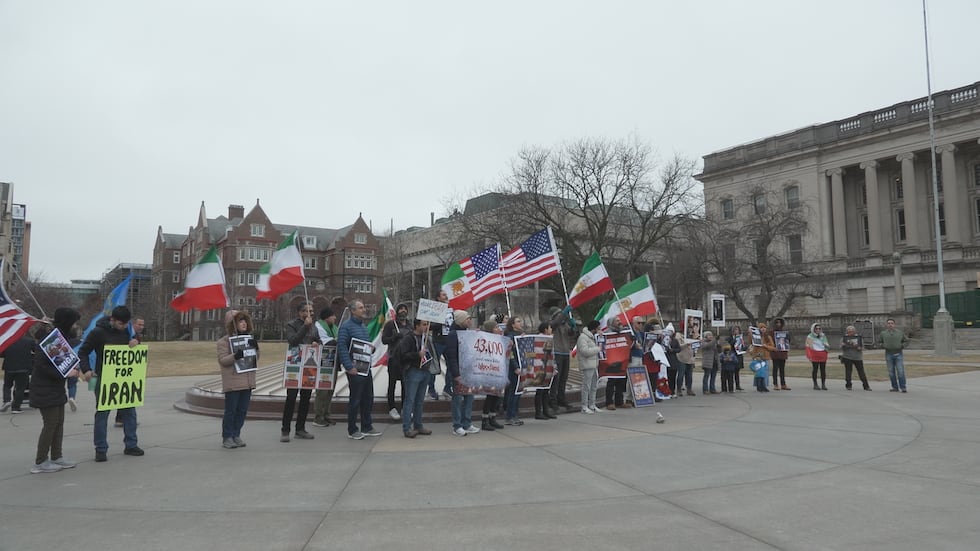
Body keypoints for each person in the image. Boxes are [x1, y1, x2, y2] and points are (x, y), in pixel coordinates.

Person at [77, 305, 142, 462]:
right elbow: (83, 351)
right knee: (103, 413)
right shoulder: (98, 332)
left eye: (126, 324)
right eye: (121, 324)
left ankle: (131, 444)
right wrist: (86, 370)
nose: (124, 327)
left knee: (129, 411)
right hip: (102, 378)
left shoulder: (127, 331)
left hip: (123, 378)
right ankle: (101, 448)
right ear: (112, 320)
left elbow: (131, 348)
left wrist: (134, 344)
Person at [29, 308, 81, 473]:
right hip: (45, 388)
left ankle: (56, 456)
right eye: (74, 322)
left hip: (56, 389)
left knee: (59, 423)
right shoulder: (49, 339)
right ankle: (40, 461)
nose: (75, 326)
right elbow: (43, 367)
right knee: (50, 424)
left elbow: (62, 358)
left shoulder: (60, 337)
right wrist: (66, 373)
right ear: (67, 322)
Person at [337, 299, 382, 440]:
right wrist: (349, 366)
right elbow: (342, 347)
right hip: (354, 370)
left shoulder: (363, 326)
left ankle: (367, 426)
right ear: (353, 310)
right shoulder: (346, 327)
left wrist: (371, 349)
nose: (364, 310)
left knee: (368, 398)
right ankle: (352, 429)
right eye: (361, 308)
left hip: (365, 368)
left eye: (363, 307)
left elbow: (364, 345)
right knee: (355, 400)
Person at [216, 310, 258, 449]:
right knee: (231, 411)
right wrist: (236, 355)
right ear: (232, 324)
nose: (244, 323)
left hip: (247, 382)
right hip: (233, 382)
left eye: (245, 320)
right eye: (240, 321)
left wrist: (255, 348)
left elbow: (255, 359)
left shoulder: (248, 338)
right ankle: (227, 436)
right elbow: (223, 360)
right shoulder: (224, 341)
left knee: (242, 410)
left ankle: (236, 434)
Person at [281, 302, 318, 442]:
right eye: (307, 311)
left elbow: (317, 339)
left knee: (306, 398)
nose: (310, 313)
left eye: (312, 311)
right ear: (300, 313)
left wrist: (316, 343)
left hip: (309, 366)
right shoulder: (292, 324)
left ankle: (300, 429)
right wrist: (305, 326)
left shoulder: (314, 326)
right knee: (291, 398)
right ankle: (285, 430)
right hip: (295, 366)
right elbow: (293, 340)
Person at [395, 318, 435, 438]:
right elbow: (403, 355)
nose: (426, 327)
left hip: (425, 370)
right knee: (410, 400)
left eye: (427, 324)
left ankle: (418, 425)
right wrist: (417, 355)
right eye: (424, 324)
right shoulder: (408, 338)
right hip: (413, 371)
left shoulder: (426, 338)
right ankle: (407, 428)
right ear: (417, 326)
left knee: (419, 401)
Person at [446, 309, 480, 435]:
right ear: (461, 321)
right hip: (459, 372)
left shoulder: (467, 333)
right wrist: (456, 374)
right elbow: (452, 356)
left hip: (469, 370)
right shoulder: (453, 335)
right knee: (458, 399)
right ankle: (457, 425)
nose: (470, 321)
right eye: (467, 319)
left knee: (469, 397)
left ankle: (467, 423)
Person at [381, 302, 411, 420]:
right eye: (400, 309)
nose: (403, 311)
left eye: (405, 309)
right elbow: (384, 340)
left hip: (407, 359)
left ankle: (404, 407)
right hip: (394, 358)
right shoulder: (390, 325)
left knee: (406, 384)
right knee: (392, 384)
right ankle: (392, 408)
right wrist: (394, 337)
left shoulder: (410, 325)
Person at [312, 307, 339, 427]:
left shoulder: (334, 328)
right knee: (322, 391)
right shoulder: (318, 327)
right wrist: (337, 340)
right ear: (327, 317)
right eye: (333, 316)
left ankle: (327, 415)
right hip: (323, 363)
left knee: (330, 391)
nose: (335, 318)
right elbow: (326, 342)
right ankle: (318, 417)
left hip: (333, 361)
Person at [114, 316, 144, 426]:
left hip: (132, 370)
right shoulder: (127, 334)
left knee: (128, 395)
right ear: (133, 324)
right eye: (139, 324)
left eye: (142, 325)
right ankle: (125, 420)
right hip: (123, 370)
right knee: (126, 395)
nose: (141, 327)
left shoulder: (137, 336)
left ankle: (121, 419)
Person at [478, 319, 507, 431]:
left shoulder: (499, 339)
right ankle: (484, 420)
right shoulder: (485, 340)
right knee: (490, 395)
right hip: (489, 370)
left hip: (498, 370)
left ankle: (492, 417)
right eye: (495, 327)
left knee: (496, 395)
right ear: (490, 329)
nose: (498, 329)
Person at [548, 306, 577, 413]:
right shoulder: (552, 325)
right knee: (556, 379)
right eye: (559, 314)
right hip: (557, 352)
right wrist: (564, 313)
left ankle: (561, 398)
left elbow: (573, 334)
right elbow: (555, 323)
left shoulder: (564, 325)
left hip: (565, 353)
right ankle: (552, 400)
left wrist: (573, 327)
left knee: (563, 378)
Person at [427, 290, 452, 400]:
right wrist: (439, 322)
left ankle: (447, 388)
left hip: (449, 341)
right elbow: (429, 326)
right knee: (434, 366)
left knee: (451, 366)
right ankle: (431, 389)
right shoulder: (434, 309)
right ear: (438, 297)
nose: (445, 296)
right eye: (443, 294)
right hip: (438, 341)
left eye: (445, 294)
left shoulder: (451, 309)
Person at [1, 335, 34, 414]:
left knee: (7, 385)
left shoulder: (8, 340)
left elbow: (2, 353)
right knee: (20, 388)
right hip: (24, 367)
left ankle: (7, 400)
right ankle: (16, 407)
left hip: (9, 366)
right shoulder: (29, 341)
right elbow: (36, 350)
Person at [877, 318, 910, 393]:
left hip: (898, 354)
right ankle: (895, 387)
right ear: (887, 325)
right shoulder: (883, 333)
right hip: (888, 354)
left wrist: (902, 346)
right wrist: (883, 345)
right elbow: (879, 342)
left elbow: (906, 341)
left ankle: (903, 387)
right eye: (889, 323)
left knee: (900, 371)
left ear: (894, 324)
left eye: (892, 323)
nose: (890, 324)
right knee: (891, 372)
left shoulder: (900, 333)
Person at [503, 316, 525, 425]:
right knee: (513, 392)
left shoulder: (520, 335)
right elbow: (510, 353)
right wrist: (515, 366)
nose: (520, 323)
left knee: (518, 392)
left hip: (522, 367)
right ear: (513, 324)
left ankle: (515, 414)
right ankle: (510, 416)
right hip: (513, 368)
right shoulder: (510, 336)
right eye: (518, 321)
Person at [605, 316, 630, 409]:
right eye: (617, 321)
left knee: (621, 381)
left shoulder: (623, 332)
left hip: (622, 360)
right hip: (612, 361)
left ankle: (619, 402)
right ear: (612, 322)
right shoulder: (607, 333)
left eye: (620, 320)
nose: (620, 322)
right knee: (611, 382)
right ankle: (609, 403)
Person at [577, 319, 601, 414]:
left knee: (594, 386)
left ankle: (592, 405)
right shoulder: (583, 337)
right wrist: (598, 349)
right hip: (587, 364)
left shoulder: (593, 337)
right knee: (586, 385)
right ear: (594, 329)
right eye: (598, 328)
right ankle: (584, 406)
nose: (599, 330)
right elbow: (585, 351)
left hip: (594, 364)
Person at [841, 325, 871, 391]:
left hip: (857, 357)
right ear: (847, 331)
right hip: (847, 356)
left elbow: (862, 347)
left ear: (855, 331)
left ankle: (866, 386)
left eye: (852, 331)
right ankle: (848, 385)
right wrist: (843, 345)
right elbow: (841, 347)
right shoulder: (844, 338)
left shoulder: (859, 338)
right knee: (848, 371)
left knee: (861, 372)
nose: (851, 332)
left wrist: (860, 348)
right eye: (849, 331)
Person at [748, 322, 774, 392]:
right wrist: (750, 333)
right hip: (757, 357)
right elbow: (750, 343)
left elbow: (773, 348)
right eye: (761, 328)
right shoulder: (755, 336)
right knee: (759, 373)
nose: (763, 329)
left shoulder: (768, 337)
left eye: (764, 327)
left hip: (765, 357)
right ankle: (759, 386)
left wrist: (766, 346)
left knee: (765, 373)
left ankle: (764, 385)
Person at [805, 323, 830, 390]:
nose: (818, 330)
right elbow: (809, 346)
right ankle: (815, 384)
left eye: (819, 328)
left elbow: (826, 344)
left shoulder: (823, 336)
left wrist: (826, 349)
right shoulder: (810, 336)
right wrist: (810, 355)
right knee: (815, 369)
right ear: (813, 329)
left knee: (823, 370)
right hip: (815, 354)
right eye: (816, 329)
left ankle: (823, 384)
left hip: (822, 354)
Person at [770, 317, 791, 391]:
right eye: (777, 323)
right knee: (775, 369)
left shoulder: (784, 332)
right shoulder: (771, 332)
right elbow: (769, 342)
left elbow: (788, 342)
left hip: (783, 352)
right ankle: (775, 384)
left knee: (782, 369)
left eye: (780, 323)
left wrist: (788, 338)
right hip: (775, 353)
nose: (778, 324)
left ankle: (783, 384)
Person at [673, 330, 696, 396]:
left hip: (690, 359)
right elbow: (678, 346)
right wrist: (686, 344)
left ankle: (689, 389)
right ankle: (679, 390)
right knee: (681, 374)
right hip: (682, 358)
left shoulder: (691, 334)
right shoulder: (678, 336)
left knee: (689, 375)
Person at [700, 330, 721, 394]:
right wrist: (715, 340)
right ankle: (705, 389)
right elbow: (708, 346)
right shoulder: (703, 342)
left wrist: (718, 345)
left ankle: (712, 389)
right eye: (709, 335)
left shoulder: (714, 342)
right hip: (707, 362)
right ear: (705, 336)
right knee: (706, 376)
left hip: (714, 362)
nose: (710, 336)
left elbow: (719, 351)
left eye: (711, 335)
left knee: (713, 377)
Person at [726, 325, 745, 391]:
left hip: (739, 355)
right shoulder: (729, 338)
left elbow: (742, 346)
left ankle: (738, 385)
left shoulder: (741, 337)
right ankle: (730, 386)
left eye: (737, 330)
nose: (736, 331)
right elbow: (729, 345)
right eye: (735, 330)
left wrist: (744, 348)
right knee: (731, 372)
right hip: (732, 355)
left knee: (737, 371)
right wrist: (734, 339)